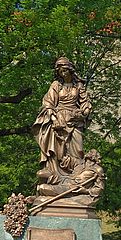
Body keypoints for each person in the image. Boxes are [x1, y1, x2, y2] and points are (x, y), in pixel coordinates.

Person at [32, 57, 91, 186]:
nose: (63, 73)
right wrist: (53, 120)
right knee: (59, 153)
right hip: (59, 121)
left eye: (65, 70)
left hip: (75, 120)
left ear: (70, 70)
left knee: (78, 150)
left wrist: (84, 113)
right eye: (60, 71)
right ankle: (59, 178)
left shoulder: (79, 86)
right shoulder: (56, 85)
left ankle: (76, 178)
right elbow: (48, 104)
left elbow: (85, 103)